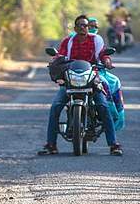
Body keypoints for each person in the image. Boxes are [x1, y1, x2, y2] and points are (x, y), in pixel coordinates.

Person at [38, 14, 123, 156]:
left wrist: (107, 60)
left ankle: (113, 144)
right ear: (75, 28)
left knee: (103, 106)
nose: (84, 28)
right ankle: (51, 145)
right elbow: (60, 55)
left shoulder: (96, 40)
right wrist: (55, 60)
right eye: (81, 25)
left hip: (92, 77)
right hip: (70, 78)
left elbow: (102, 54)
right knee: (56, 107)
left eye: (86, 25)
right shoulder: (68, 41)